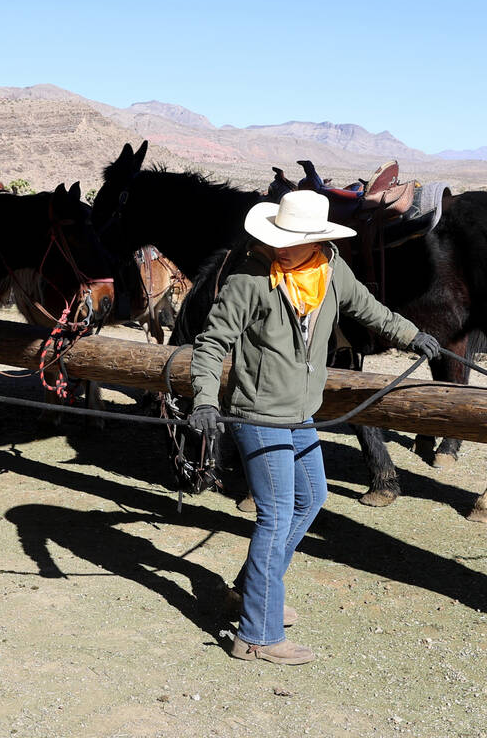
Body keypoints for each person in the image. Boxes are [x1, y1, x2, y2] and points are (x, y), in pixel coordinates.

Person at [186, 189, 440, 665]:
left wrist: (412, 336)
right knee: (277, 514)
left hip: (302, 414)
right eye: (278, 237)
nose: (281, 246)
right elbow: (210, 344)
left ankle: (252, 591)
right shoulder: (249, 280)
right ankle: (257, 636)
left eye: (292, 238)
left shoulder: (330, 270)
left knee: (312, 498)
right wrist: (203, 399)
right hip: (258, 416)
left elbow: (371, 310)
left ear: (316, 240)